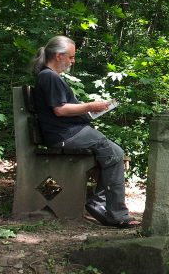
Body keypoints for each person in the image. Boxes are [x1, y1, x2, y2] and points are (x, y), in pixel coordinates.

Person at [30, 35, 139, 228]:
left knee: (116, 152)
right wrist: (90, 106)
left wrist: (91, 111)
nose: (73, 61)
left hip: (67, 132)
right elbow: (60, 109)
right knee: (113, 152)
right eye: (70, 57)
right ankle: (114, 212)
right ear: (58, 56)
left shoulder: (50, 77)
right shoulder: (49, 77)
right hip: (65, 135)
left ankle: (101, 204)